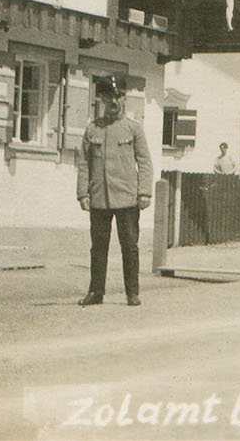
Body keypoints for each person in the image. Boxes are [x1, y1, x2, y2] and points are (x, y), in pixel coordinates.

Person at [76, 75, 153, 307]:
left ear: (124, 98)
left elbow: (145, 162)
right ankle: (96, 292)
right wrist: (83, 193)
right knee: (98, 248)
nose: (114, 101)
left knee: (129, 246)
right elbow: (84, 163)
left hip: (128, 198)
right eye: (108, 96)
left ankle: (132, 293)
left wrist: (144, 192)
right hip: (99, 198)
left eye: (118, 96)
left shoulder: (134, 129)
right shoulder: (92, 129)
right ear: (101, 99)